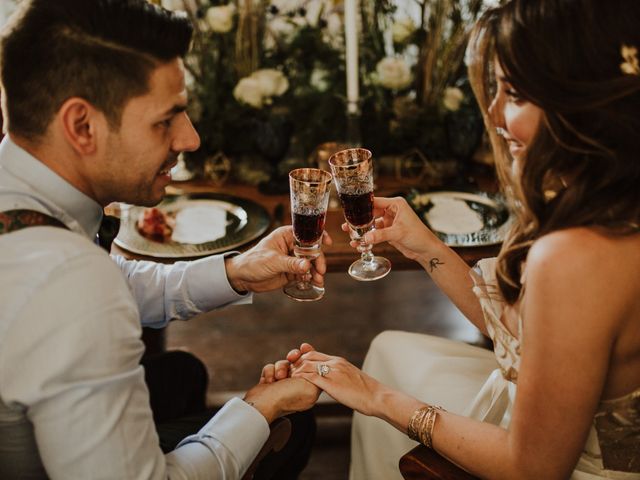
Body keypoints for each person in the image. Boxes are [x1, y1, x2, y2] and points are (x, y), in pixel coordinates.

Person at [268, 0, 640, 478]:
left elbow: (531, 467)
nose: (495, 113)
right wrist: (425, 247)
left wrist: (376, 397)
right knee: (390, 349)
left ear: (582, 101)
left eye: (515, 94)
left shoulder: (572, 257)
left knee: (383, 374)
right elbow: (530, 336)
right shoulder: (608, 197)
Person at [0, 0, 328, 478]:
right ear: (82, 126)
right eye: (166, 119)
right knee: (291, 428)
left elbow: (113, 285)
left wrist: (236, 273)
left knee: (182, 373)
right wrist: (260, 407)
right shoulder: (66, 283)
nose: (189, 139)